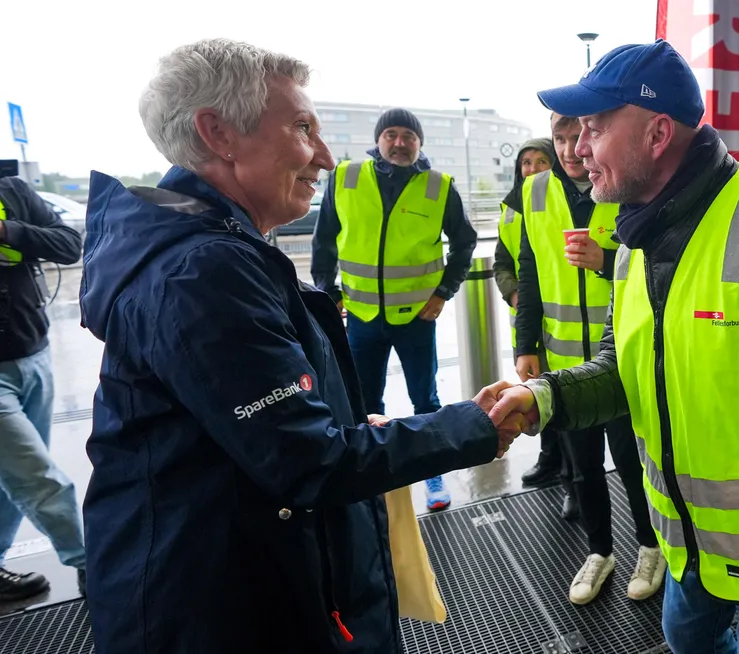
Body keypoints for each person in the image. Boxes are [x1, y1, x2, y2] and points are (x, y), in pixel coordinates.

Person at [79, 39, 520, 654]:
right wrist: (469, 428)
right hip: (224, 610)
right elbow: (309, 463)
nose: (324, 155)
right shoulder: (203, 273)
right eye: (302, 126)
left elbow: (256, 435)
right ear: (218, 134)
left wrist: (340, 423)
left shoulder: (210, 248)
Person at [489, 41, 739, 653]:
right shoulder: (633, 238)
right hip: (687, 546)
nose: (578, 148)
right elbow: (620, 369)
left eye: (596, 128)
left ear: (656, 133)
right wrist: (540, 398)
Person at [514, 112, 665, 606]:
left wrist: (605, 265)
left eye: (577, 136)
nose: (567, 148)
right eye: (558, 138)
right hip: (560, 362)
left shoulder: (624, 183)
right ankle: (600, 550)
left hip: (619, 360)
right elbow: (529, 272)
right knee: (581, 469)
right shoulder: (534, 194)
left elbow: (655, 270)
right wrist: (524, 346)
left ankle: (650, 545)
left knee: (629, 461)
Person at [311, 108, 478, 512]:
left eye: (408, 135)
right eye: (391, 134)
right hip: (362, 318)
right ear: (378, 140)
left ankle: (433, 474)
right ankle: (376, 482)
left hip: (416, 318)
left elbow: (465, 243)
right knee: (366, 402)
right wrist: (327, 294)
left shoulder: (438, 187)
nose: (399, 142)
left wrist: (442, 293)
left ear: (420, 143)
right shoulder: (347, 179)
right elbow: (325, 241)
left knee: (426, 398)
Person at [0, 173, 85, 601]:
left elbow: (69, 244)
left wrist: (7, 230)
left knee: (10, 478)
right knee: (38, 477)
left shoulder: (12, 192)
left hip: (33, 354)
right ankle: (94, 565)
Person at [493, 138, 568, 495]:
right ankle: (549, 460)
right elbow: (503, 263)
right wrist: (514, 291)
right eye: (526, 162)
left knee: (567, 400)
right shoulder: (511, 208)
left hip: (562, 323)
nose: (533, 168)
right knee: (538, 397)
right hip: (526, 323)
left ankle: (572, 479)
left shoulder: (563, 204)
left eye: (542, 161)